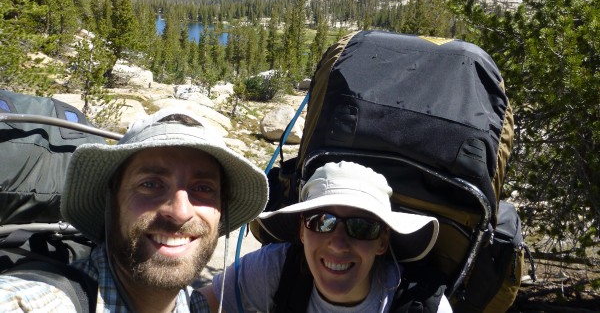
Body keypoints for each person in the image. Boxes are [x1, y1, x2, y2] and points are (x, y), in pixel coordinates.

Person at [0, 108, 269, 313]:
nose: (180, 212)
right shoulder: (41, 301)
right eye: (150, 184)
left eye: (204, 188)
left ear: (221, 210)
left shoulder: (193, 304)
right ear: (111, 199)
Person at [200, 160, 453, 312]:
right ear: (302, 230)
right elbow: (202, 304)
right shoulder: (277, 269)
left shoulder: (419, 305)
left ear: (382, 241)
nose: (338, 243)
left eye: (361, 226)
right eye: (321, 222)